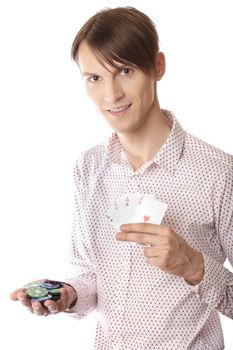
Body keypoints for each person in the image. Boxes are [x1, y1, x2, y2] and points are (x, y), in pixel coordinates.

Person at [10, 6, 233, 350]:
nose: (111, 95)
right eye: (94, 78)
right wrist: (68, 295)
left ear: (157, 66)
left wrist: (195, 266)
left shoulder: (218, 172)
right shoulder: (88, 168)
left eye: (125, 71)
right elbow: (90, 275)